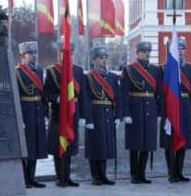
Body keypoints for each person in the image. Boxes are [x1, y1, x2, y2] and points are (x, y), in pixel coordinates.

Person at [43, 42, 88, 187]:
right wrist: (57, 98)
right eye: (64, 52)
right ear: (59, 54)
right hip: (58, 113)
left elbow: (83, 96)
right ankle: (59, 177)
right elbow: (47, 93)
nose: (68, 55)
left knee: (69, 145)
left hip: (73, 112)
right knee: (58, 146)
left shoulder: (78, 71)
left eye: (71, 52)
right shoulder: (52, 71)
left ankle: (67, 177)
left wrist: (83, 115)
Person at [122, 41, 164, 184]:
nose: (147, 54)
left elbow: (159, 93)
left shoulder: (155, 70)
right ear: (137, 53)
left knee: (147, 142)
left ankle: (142, 173)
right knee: (135, 143)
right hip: (135, 109)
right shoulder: (129, 70)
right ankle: (134, 174)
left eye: (148, 51)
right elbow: (124, 93)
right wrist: (126, 113)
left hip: (150, 108)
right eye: (144, 51)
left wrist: (160, 112)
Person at [160, 38, 191, 183]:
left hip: (185, 108)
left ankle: (179, 172)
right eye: (178, 48)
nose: (180, 50)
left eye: (182, 48)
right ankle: (171, 173)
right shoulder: (164, 68)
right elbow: (160, 92)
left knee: (183, 140)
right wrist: (161, 112)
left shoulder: (190, 68)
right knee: (169, 141)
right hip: (169, 110)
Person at [84, 46, 122, 185]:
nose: (104, 60)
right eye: (101, 57)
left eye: (105, 57)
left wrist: (118, 116)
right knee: (95, 146)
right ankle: (95, 176)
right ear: (94, 60)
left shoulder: (111, 77)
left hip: (108, 114)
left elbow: (117, 97)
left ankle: (103, 175)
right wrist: (88, 118)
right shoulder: (88, 77)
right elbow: (86, 99)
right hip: (95, 114)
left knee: (105, 145)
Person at [15, 41, 48, 188]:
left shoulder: (40, 71)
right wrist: (19, 117)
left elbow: (43, 93)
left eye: (35, 53)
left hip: (38, 110)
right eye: (30, 53)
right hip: (25, 111)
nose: (34, 56)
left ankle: (32, 177)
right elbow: (15, 96)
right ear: (23, 55)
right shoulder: (17, 71)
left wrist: (45, 111)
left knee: (36, 144)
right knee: (26, 145)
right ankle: (24, 178)